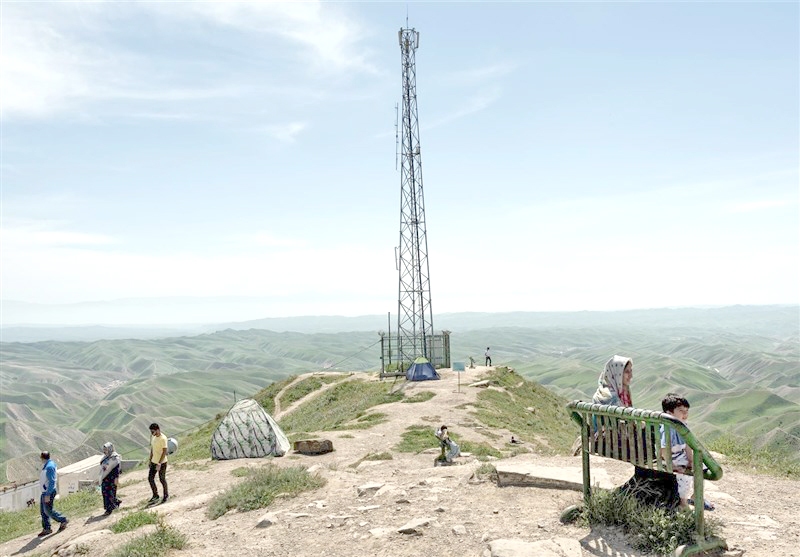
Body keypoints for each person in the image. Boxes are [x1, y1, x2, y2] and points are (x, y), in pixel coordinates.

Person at [660, 394, 714, 511]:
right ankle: (683, 502)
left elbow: (688, 446)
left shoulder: (682, 426)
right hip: (671, 458)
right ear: (669, 413)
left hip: (680, 456)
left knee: (700, 466)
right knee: (684, 475)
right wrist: (672, 465)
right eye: (681, 411)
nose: (685, 414)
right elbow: (663, 449)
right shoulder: (667, 428)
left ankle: (696, 495)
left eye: (686, 410)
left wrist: (691, 460)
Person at [38, 451, 68, 537]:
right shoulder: (48, 464)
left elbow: (52, 481)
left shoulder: (49, 467)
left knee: (48, 510)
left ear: (42, 458)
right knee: (43, 511)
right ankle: (47, 528)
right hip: (45, 492)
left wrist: (48, 494)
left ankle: (63, 519)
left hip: (48, 492)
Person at [148, 423, 169, 504]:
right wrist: (150, 460)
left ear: (157, 430)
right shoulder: (154, 438)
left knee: (162, 479)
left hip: (162, 463)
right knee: (150, 478)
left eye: (153, 431)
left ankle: (166, 495)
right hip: (153, 461)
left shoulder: (163, 438)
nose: (152, 433)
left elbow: (164, 451)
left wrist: (159, 463)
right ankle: (155, 495)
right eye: (151, 432)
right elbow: (152, 449)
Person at [99, 442, 122, 515]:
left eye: (106, 449)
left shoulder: (114, 457)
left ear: (110, 449)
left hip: (112, 478)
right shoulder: (105, 457)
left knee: (111, 493)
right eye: (104, 449)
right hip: (105, 478)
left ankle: (109, 510)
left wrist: (116, 478)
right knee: (105, 493)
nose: (105, 451)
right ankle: (115, 502)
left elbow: (117, 469)